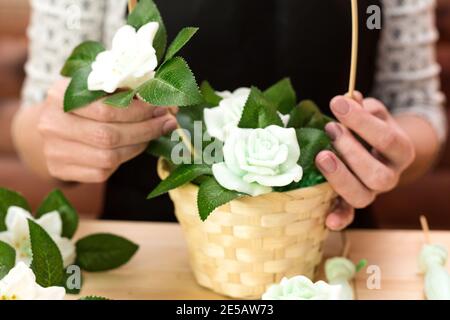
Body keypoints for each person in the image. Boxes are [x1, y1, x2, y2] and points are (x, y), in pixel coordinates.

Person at [12, 0, 447, 229]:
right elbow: (37, 123)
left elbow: (416, 107)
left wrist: (388, 151)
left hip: (327, 242)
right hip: (152, 250)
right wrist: (65, 137)